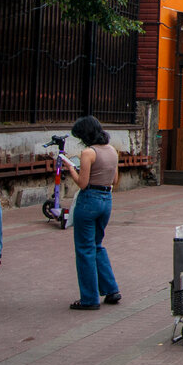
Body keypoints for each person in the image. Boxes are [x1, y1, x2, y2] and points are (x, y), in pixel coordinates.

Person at [62, 116, 121, 310]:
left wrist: (71, 168)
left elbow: (82, 183)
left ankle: (89, 298)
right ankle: (111, 289)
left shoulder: (88, 152)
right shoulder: (112, 150)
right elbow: (115, 180)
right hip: (106, 200)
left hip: (89, 201)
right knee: (97, 245)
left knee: (84, 249)